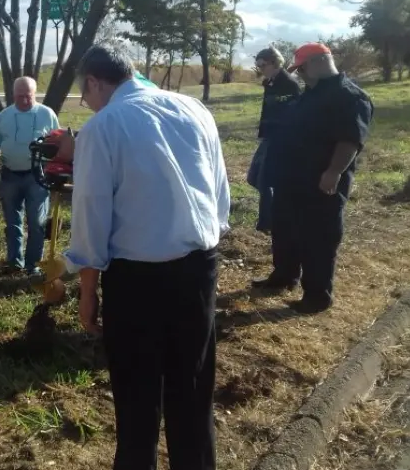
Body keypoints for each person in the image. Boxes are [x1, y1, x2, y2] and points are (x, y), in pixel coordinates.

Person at [63, 45, 230, 470]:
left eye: (86, 94)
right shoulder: (195, 110)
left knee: (137, 396)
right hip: (198, 269)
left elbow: (91, 215)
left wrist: (87, 290)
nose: (89, 103)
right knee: (192, 391)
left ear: (96, 83)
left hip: (137, 280)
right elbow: (219, 193)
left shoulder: (104, 126)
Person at [253, 43, 374, 313]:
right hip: (291, 178)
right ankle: (284, 276)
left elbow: (350, 140)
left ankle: (317, 295)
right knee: (286, 229)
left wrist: (334, 172)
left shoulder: (349, 97)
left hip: (321, 181)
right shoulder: (310, 93)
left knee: (318, 236)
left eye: (303, 68)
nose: (301, 75)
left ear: (321, 61)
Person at [0, 77, 60, 275]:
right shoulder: (4, 116)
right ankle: (14, 262)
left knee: (37, 222)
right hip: (10, 175)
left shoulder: (47, 115)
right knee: (12, 222)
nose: (24, 101)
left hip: (37, 175)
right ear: (13, 95)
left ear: (34, 94)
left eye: (28, 96)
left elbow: (57, 146)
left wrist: (56, 174)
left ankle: (33, 264)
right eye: (19, 96)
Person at [248, 47, 301, 233]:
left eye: (262, 65)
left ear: (274, 62)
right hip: (269, 136)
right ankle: (274, 217)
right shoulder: (271, 82)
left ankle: (267, 223)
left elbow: (291, 115)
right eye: (258, 65)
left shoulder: (288, 83)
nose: (260, 69)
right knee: (254, 177)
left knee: (263, 180)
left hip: (281, 139)